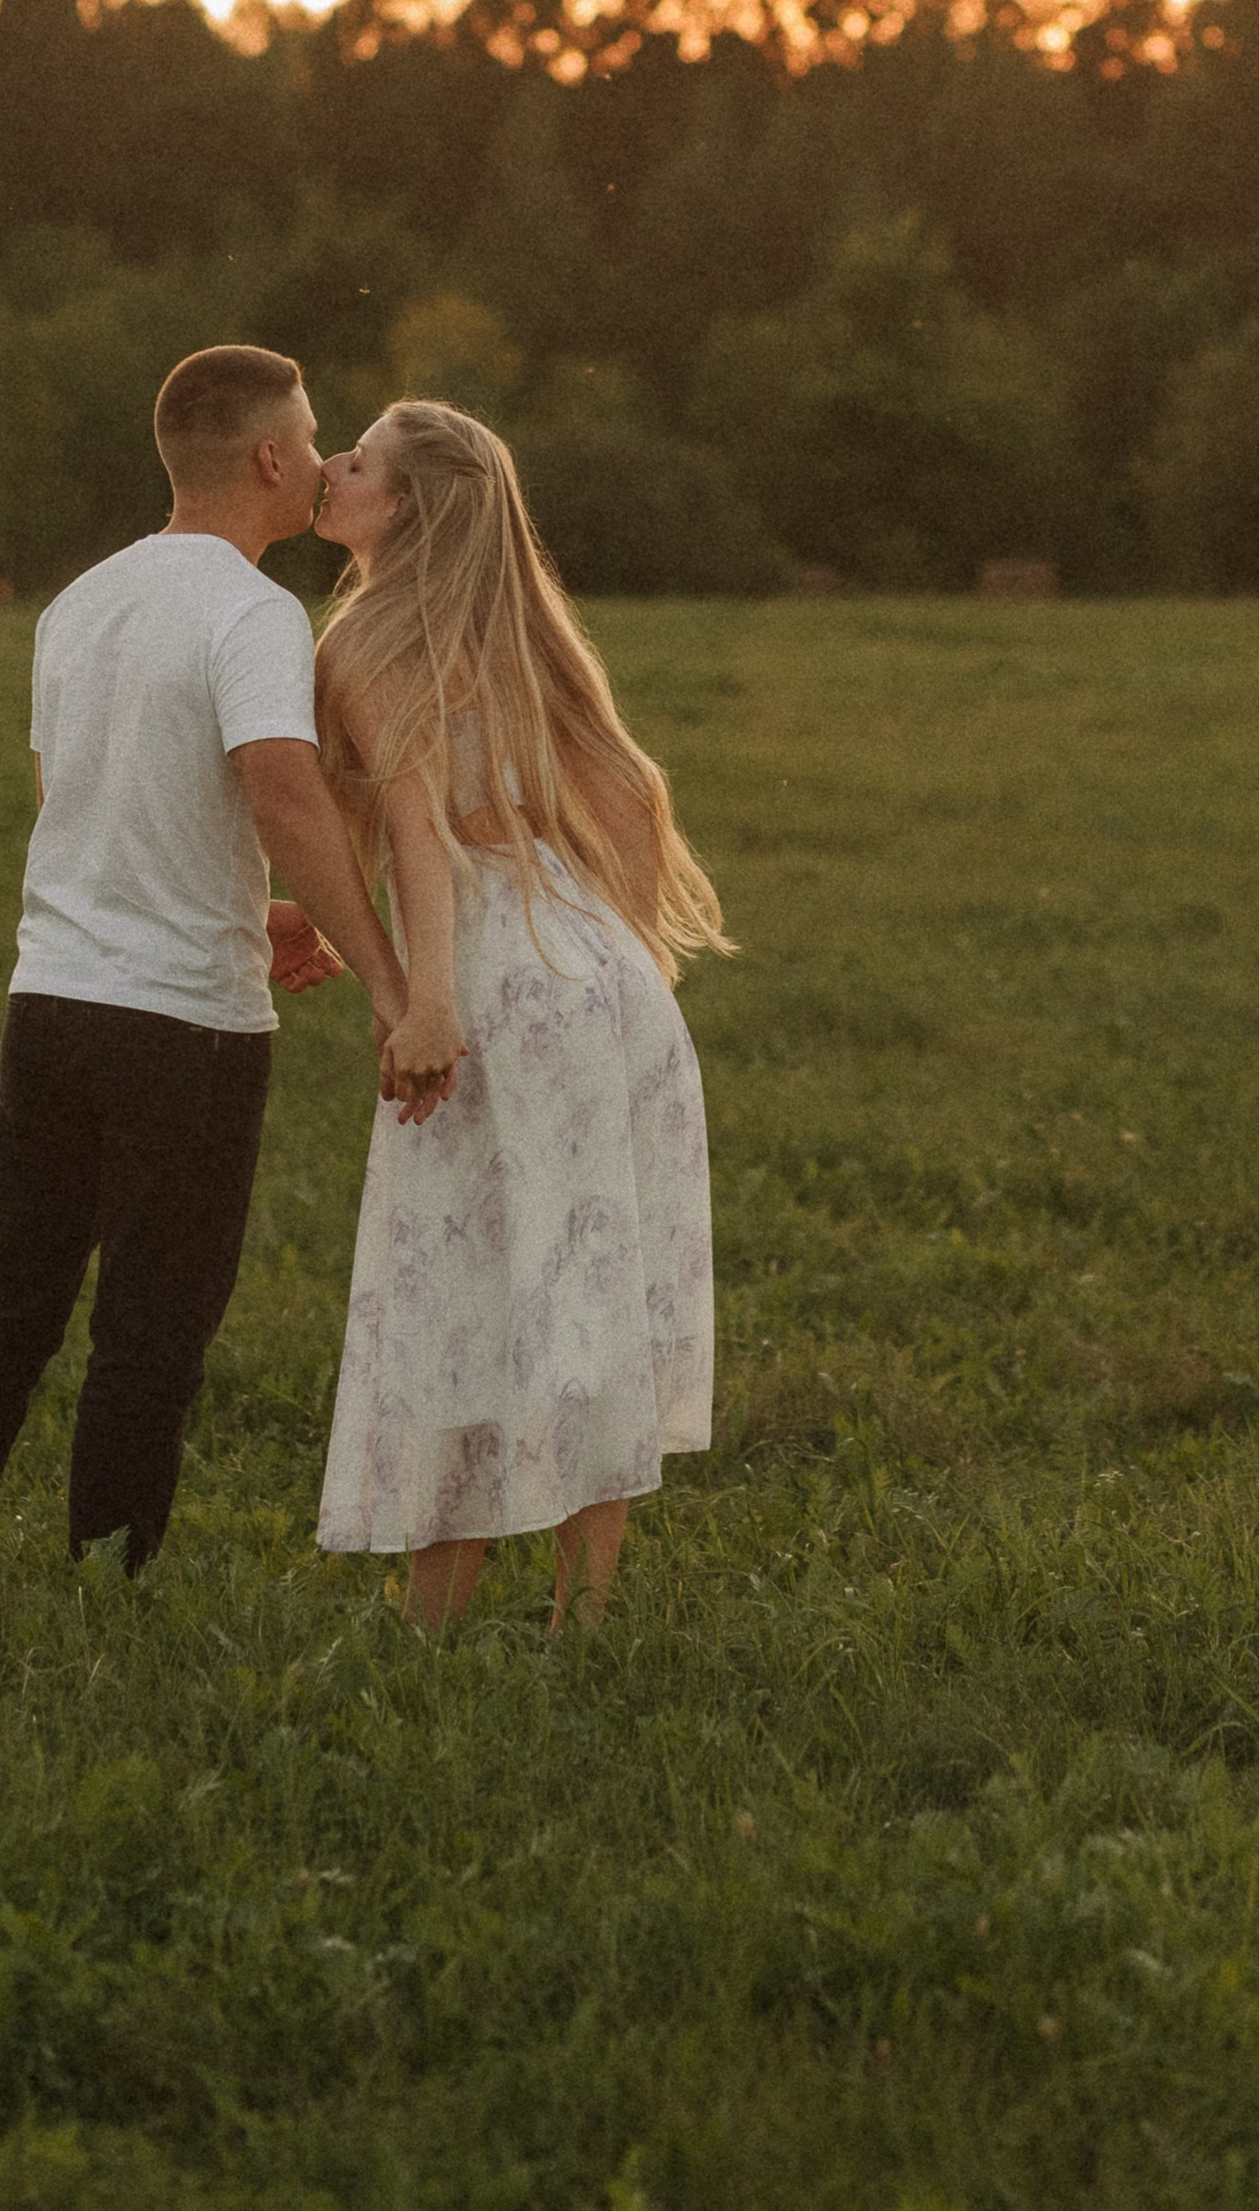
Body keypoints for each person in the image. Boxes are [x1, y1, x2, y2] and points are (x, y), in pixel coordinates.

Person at [0, 347, 455, 1581]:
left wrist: (260, 919)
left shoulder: (77, 603)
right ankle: (105, 1582)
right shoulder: (252, 610)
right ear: (265, 458)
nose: (319, 462)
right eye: (310, 442)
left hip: (50, 1004)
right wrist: (391, 983)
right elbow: (282, 795)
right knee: (152, 1328)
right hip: (184, 1034)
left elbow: (84, 811)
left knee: (11, 1297)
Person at [306, 398, 728, 1629]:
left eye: (361, 461)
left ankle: (434, 1617)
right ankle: (582, 1615)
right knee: (586, 1285)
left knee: (452, 1282)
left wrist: (425, 1002)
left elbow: (421, 836)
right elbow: (627, 796)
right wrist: (629, 959)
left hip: (500, 976)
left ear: (407, 509)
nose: (335, 467)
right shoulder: (519, 634)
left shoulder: (369, 641)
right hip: (607, 978)